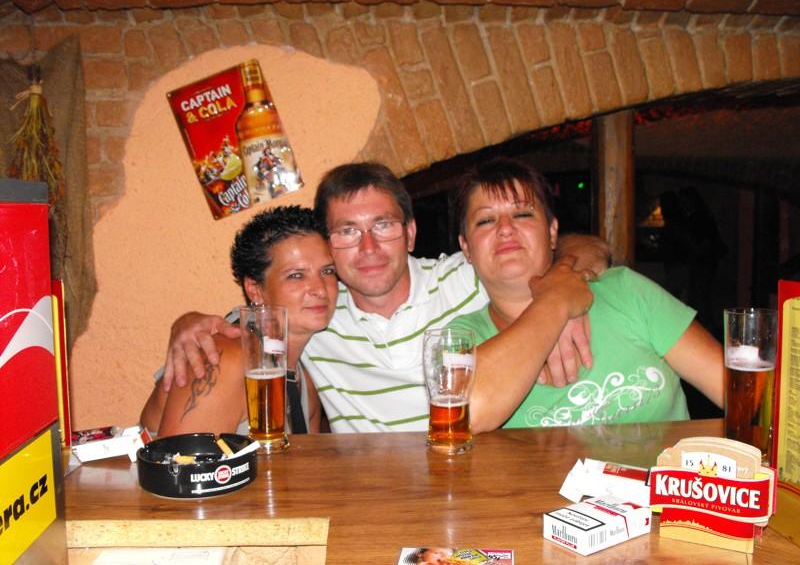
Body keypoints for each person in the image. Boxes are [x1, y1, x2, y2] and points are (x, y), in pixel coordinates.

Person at [160, 163, 601, 433]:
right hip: (372, 499)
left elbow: (583, 248)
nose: (368, 247)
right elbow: (251, 322)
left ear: (410, 233)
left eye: (383, 226)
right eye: (348, 231)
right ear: (329, 244)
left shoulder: (467, 277)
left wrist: (560, 286)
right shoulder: (318, 311)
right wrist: (188, 323)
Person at [449, 157, 723, 428]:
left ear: (552, 233)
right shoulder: (464, 338)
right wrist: (555, 305)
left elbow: (733, 389)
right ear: (466, 248)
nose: (505, 229)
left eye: (522, 214)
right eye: (485, 220)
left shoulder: (626, 291)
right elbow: (467, 413)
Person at [140, 206, 337, 436]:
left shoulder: (304, 382)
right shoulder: (226, 360)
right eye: (296, 275)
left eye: (328, 271)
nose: (320, 289)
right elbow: (180, 459)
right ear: (255, 290)